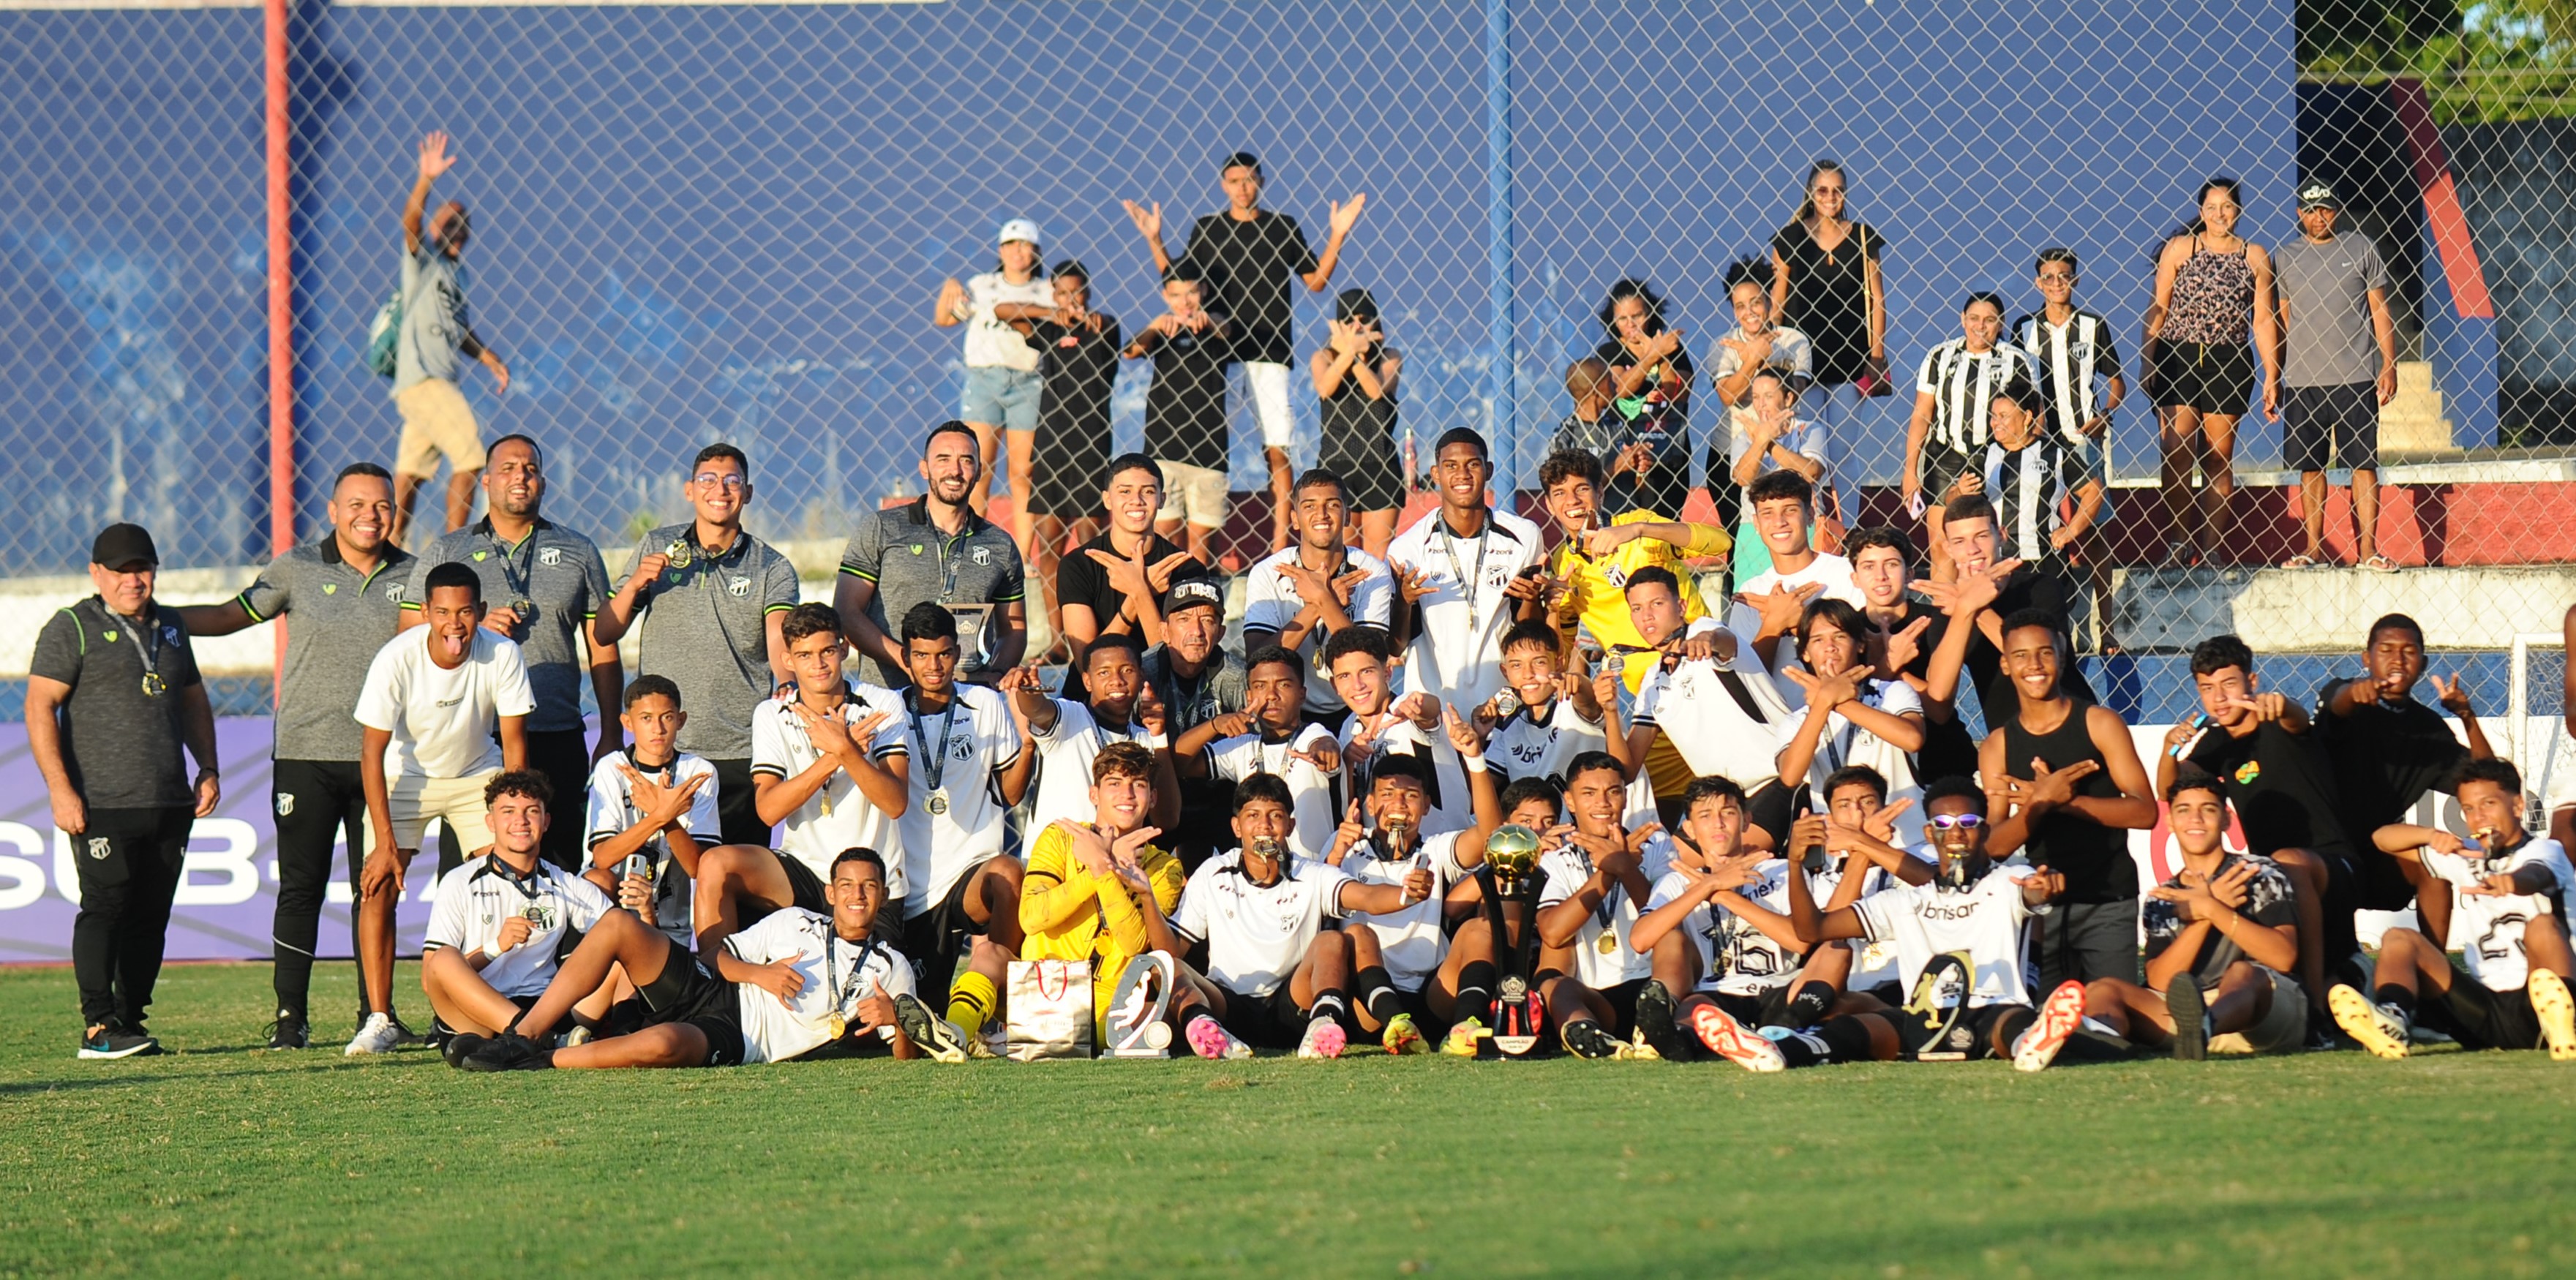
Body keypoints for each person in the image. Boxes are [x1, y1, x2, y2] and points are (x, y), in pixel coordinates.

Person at [177, 465, 416, 1050]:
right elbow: (231, 615)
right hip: (305, 753)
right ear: (332, 512)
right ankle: (291, 1018)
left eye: (382, 505)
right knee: (301, 888)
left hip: (380, 758)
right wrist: (154, 618)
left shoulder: (414, 574)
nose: (370, 515)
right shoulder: (298, 567)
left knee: (377, 889)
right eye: (356, 504)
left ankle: (375, 1015)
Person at [454, 848, 924, 1071]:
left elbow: (905, 1056)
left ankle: (546, 1060)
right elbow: (717, 955)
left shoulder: (891, 966)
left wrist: (897, 1022)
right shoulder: (796, 920)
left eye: (868, 887)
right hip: (714, 986)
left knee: (662, 1046)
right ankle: (522, 1037)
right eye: (847, 886)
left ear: (883, 896)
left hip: (741, 1037)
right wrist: (759, 974)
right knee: (619, 925)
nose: (857, 895)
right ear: (830, 893)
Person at [31, 523, 219, 1060]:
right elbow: (40, 705)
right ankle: (97, 1025)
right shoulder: (74, 627)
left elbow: (192, 701)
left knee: (151, 913)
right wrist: (61, 790)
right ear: (97, 573)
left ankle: (130, 1020)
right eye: (121, 571)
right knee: (105, 907)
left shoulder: (173, 627)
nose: (133, 580)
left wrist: (207, 766)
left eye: (142, 569)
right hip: (102, 803)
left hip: (168, 799)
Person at [1124, 153, 1366, 553]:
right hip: (1217, 357)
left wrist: (1337, 233)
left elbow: (1316, 282)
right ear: (1223, 185)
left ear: (1262, 182)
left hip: (1269, 353)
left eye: (1250, 179)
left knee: (1277, 450)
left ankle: (1278, 547)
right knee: (1205, 447)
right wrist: (1154, 239)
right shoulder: (1208, 229)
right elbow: (1177, 281)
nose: (1242, 187)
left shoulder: (1282, 227)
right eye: (1234, 180)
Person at [403, 434, 616, 870]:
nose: (520, 477)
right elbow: (409, 632)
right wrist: (471, 625)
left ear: (542, 482)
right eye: (507, 469)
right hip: (474, 735)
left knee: (557, 868)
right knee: (469, 871)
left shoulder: (579, 551)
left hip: (555, 729)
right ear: (484, 481)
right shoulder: (450, 549)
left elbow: (602, 646)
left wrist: (611, 731)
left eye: (531, 469)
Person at [350, 561, 534, 1055]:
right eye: (444, 612)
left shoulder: (504, 654)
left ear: (480, 612)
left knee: (499, 886)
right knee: (377, 886)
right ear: (427, 612)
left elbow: (514, 744)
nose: (455, 625)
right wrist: (386, 843)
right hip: (404, 778)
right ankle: (379, 1017)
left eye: (466, 612)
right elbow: (371, 753)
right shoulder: (396, 658)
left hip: (479, 775)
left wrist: (512, 810)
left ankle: (480, 1008)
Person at [1785, 776, 2092, 1072]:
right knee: (1851, 1028)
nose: (1956, 833)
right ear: (1929, 834)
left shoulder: (2006, 882)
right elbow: (1813, 930)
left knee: (2012, 1023)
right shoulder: (1902, 901)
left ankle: (2031, 1043)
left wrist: (2044, 886)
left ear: (1985, 831)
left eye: (1968, 823)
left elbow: (2032, 890)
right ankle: (1779, 1051)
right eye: (1943, 825)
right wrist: (1796, 863)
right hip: (1920, 1018)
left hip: (1991, 1010)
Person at [593, 443, 799, 846]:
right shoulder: (658, 546)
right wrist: (635, 583)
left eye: (731, 481)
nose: (719, 490)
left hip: (739, 750)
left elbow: (779, 636)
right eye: (708, 479)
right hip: (665, 749)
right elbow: (604, 631)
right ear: (690, 490)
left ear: (749, 492)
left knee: (735, 879)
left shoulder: (771, 565)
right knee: (656, 880)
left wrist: (789, 683)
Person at [1629, 774, 1905, 1070]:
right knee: (1690, 1001)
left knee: (1837, 946)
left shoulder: (1779, 871)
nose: (1719, 823)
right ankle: (1678, 1036)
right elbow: (1641, 939)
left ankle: (1784, 1030)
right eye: (1706, 816)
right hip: (1716, 992)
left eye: (1728, 813)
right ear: (1689, 829)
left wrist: (1727, 897)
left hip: (1783, 991)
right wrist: (1707, 887)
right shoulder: (1678, 879)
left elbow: (1801, 940)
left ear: (1746, 821)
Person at [1156, 774, 1427, 1059]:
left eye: (1276, 815)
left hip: (1292, 1005)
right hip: (1229, 1005)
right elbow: (1172, 950)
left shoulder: (1311, 873)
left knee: (1332, 940)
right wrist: (1147, 897)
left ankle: (1323, 1026)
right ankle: (1206, 1029)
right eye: (1253, 815)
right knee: (1166, 966)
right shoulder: (1213, 872)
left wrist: (1405, 893)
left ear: (1290, 825)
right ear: (1237, 827)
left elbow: (1366, 896)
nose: (1264, 825)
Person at [2164, 633, 2358, 1033]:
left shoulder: (2279, 721)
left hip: (2336, 864)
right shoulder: (2216, 744)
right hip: (2275, 878)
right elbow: (2173, 790)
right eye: (2207, 688)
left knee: (2287, 861)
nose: (2219, 698)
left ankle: (2313, 1005)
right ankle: (2208, 1006)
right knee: (2222, 881)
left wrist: (2282, 704)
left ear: (2252, 683)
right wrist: (2168, 751)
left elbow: (2298, 719)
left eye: (2229, 684)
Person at [699, 603, 907, 957]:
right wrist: (835, 756)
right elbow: (767, 811)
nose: (819, 664)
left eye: (827, 651)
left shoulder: (882, 704)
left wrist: (847, 752)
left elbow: (895, 803)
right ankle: (711, 979)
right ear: (788, 660)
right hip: (804, 869)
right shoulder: (772, 713)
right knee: (715, 863)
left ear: (845, 648)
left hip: (866, 873)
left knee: (857, 988)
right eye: (805, 655)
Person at [2334, 758, 2576, 1061]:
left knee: (2542, 925)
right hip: (2484, 1008)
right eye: (2469, 809)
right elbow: (2382, 839)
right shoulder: (2467, 855)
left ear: (2517, 807)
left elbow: (2537, 875)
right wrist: (2430, 836)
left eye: (2489, 804)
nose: (2479, 817)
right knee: (2400, 938)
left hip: (2539, 1003)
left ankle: (2567, 1025)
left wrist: (2511, 882)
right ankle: (2391, 1020)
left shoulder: (2544, 850)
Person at [1980, 609, 2159, 986]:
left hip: (2108, 898)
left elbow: (2145, 812)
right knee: (2045, 1020)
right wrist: (2039, 803)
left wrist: (2065, 802)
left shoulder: (2100, 722)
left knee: (2111, 1016)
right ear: (2006, 665)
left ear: (2062, 656)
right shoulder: (1998, 744)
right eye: (2021, 656)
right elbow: (1993, 846)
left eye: (2045, 653)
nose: (2034, 665)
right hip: (2040, 907)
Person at [2080, 769, 2304, 1058]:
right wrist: (2203, 917)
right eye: (2184, 811)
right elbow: (2160, 982)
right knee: (2104, 989)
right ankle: (2099, 1044)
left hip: (2263, 1015)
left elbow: (2283, 957)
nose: (2195, 820)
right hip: (2189, 1020)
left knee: (2244, 972)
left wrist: (2213, 908)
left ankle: (2204, 1025)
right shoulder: (2165, 896)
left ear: (2226, 820)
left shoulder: (2258, 872)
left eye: (2208, 810)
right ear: (2170, 822)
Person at [2310, 612, 2492, 944]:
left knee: (2433, 868)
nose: (2398, 659)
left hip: (2379, 852)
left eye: (2409, 651)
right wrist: (2355, 693)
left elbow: (2490, 783)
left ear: (2423, 664)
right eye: (2387, 650)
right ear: (2367, 658)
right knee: (2339, 963)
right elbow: (2337, 706)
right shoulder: (2345, 695)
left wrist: (2467, 716)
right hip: (2325, 847)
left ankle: (2435, 982)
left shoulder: (2429, 728)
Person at [1006, 742, 1190, 1051]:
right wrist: (1096, 868)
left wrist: (1106, 869)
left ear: (1153, 797)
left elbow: (1134, 944)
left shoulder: (1165, 867)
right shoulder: (1061, 836)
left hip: (1112, 1001)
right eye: (1114, 784)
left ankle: (1040, 1039)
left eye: (1139, 785)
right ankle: (958, 1032)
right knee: (988, 958)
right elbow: (1031, 918)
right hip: (1045, 989)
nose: (1127, 794)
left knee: (1154, 1015)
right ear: (1094, 794)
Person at [887, 603, 1029, 1006]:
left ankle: (1003, 1008)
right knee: (917, 1014)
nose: (935, 666)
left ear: (957, 653)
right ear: (905, 658)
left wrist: (1030, 742)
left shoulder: (984, 704)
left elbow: (1010, 795)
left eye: (945, 654)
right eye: (922, 656)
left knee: (1007, 872)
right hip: (909, 885)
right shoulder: (887, 712)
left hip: (971, 871)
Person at [2143, 177, 2282, 567]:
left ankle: (2211, 548)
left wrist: (2273, 374)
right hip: (2178, 356)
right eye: (2212, 207)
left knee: (2218, 457)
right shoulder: (2180, 249)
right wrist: (2147, 359)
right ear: (2201, 211)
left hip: (2229, 360)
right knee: (2177, 450)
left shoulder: (2254, 255)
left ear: (2238, 210)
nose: (2220, 214)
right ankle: (2178, 542)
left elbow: (2263, 319)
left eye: (2227, 206)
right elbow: (2159, 307)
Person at [1330, 748, 1505, 1055]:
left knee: (1479, 929)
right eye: (1387, 794)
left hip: (1431, 995)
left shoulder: (1435, 850)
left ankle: (1466, 1028)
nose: (1398, 804)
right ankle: (1396, 1023)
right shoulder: (1345, 846)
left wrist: (1475, 758)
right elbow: (1317, 905)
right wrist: (1334, 857)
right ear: (1370, 802)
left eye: (1410, 796)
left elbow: (1491, 836)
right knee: (1357, 934)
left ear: (1426, 805)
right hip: (1370, 1006)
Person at [418, 772, 615, 1043]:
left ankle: (620, 1029)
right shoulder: (459, 881)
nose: (520, 821)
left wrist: (644, 915)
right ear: (491, 822)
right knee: (442, 959)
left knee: (621, 931)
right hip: (480, 1015)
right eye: (508, 812)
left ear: (546, 822)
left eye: (531, 811)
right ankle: (540, 1040)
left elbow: (619, 939)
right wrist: (496, 946)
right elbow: (431, 980)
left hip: (546, 1009)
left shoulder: (564, 882)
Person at [834, 421, 1028, 690]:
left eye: (966, 460)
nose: (955, 471)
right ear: (924, 468)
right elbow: (846, 612)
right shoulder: (883, 528)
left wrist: (996, 674)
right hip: (889, 698)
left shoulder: (1000, 545)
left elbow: (1013, 630)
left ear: (980, 470)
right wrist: (908, 663)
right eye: (943, 459)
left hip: (967, 704)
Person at [1609, 568, 1795, 843]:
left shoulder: (1706, 630)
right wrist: (1610, 711)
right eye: (1637, 608)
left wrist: (1708, 642)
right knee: (1670, 871)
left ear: (1681, 606)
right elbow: (1627, 770)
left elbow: (1724, 643)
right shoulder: (1652, 682)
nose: (1646, 615)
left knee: (1730, 866)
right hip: (1724, 803)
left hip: (1778, 781)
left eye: (1657, 604)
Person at [388, 131, 509, 545]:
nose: (455, 222)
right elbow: (410, 223)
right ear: (435, 228)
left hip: (433, 382)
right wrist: (426, 180)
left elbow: (460, 332)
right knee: (472, 457)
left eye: (461, 218)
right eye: (445, 217)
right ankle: (456, 551)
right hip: (424, 379)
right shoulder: (423, 262)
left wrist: (488, 357)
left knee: (412, 471)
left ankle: (389, 548)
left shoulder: (457, 275)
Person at [994, 259, 1122, 646]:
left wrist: (1083, 315)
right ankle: (1057, 639)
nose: (1071, 300)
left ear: (1088, 292)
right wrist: (1053, 311)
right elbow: (1003, 311)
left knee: (1089, 545)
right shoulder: (1048, 328)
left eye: (1077, 292)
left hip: (1091, 447)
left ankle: (1094, 636)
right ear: (1053, 293)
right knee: (1048, 546)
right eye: (1063, 292)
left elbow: (1106, 333)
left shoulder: (1104, 327)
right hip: (1051, 445)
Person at [2275, 181, 2400, 571]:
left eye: (2326, 210)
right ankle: (2313, 550)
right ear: (2299, 214)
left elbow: (2379, 309)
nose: (2319, 218)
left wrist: (2389, 362)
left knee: (2363, 465)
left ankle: (2367, 552)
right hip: (2302, 380)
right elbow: (2282, 318)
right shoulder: (2285, 257)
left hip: (2356, 376)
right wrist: (2276, 374)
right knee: (2310, 467)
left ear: (2338, 211)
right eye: (2311, 211)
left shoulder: (2361, 247)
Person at [1538, 447, 1727, 691]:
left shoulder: (1636, 527)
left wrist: (1640, 529)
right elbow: (1559, 656)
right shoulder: (1563, 563)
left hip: (1700, 667)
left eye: (1582, 489)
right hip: (1647, 695)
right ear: (1550, 505)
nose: (1572, 501)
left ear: (1600, 494)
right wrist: (1552, 610)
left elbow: (1721, 542)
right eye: (1560, 493)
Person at [1386, 427, 1547, 710]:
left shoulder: (1524, 536)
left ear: (1488, 470)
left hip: (1502, 705)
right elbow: (1395, 647)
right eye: (1451, 466)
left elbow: (1527, 630)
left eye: (1472, 464)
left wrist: (1532, 599)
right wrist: (1405, 601)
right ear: (1436, 474)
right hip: (1433, 709)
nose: (1462, 474)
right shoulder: (1408, 548)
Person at [1529, 752, 1671, 1058]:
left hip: (1653, 985)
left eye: (1613, 792)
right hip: (1596, 997)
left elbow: (1667, 922)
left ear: (1625, 796)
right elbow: (1552, 932)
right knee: (1561, 986)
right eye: (1589, 794)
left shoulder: (1656, 842)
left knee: (1676, 939)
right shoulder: (1555, 858)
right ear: (1569, 801)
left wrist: (1628, 868)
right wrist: (1609, 870)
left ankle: (1656, 1029)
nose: (1603, 803)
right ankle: (1591, 1037)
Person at [2012, 248, 2126, 620]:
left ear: (2075, 280)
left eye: (2064, 276)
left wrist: (2104, 415)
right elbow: (2015, 389)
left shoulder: (2093, 325)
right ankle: (2041, 612)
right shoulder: (2023, 328)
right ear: (2037, 282)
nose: (2057, 283)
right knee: (2036, 525)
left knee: (2093, 532)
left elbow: (2117, 382)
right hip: (2039, 445)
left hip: (2082, 440)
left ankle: (2106, 625)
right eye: (2049, 277)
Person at [1901, 293, 2040, 577]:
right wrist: (1910, 469)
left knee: (1990, 541)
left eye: (1990, 320)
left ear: (2001, 324)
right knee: (1942, 545)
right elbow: (1922, 414)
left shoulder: (2017, 360)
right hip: (1946, 456)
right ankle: (1946, 615)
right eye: (1974, 319)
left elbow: (2035, 419)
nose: (1981, 326)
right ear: (1962, 320)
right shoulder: (1940, 356)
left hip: (1996, 456)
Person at [1055, 454, 1212, 704]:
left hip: (1162, 696)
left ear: (1162, 500)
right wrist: (1138, 593)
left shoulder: (1186, 569)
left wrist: (1139, 592)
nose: (1136, 501)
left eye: (1147, 491)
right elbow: (1088, 660)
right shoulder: (1078, 564)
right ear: (1108, 499)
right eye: (1125, 491)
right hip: (1092, 699)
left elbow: (1176, 661)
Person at [1242, 467, 1393, 728]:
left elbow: (1371, 658)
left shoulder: (1371, 571)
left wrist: (1325, 601)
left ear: (1347, 516)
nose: (1321, 514)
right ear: (1295, 519)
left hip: (1356, 704)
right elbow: (1259, 659)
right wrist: (1317, 605)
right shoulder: (1268, 572)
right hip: (1292, 709)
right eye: (1310, 506)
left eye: (1332, 505)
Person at [580, 676, 721, 950]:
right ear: (628, 723)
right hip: (615, 907)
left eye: (667, 717)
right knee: (598, 879)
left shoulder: (699, 773)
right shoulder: (613, 768)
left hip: (671, 921)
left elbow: (696, 867)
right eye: (646, 718)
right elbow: (603, 858)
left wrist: (664, 816)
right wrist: (660, 814)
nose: (657, 728)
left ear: (681, 720)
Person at [1774, 599, 1926, 846]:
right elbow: (1790, 776)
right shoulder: (1797, 721)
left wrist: (1836, 701)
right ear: (1805, 653)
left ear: (1860, 644)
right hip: (1840, 853)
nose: (1830, 647)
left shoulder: (1893, 692)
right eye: (1818, 640)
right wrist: (1823, 705)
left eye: (1840, 637)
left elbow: (1912, 739)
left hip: (1908, 845)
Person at [931, 217, 1053, 519]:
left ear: (1036, 251)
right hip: (985, 379)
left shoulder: (1047, 290)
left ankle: (1023, 553)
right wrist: (949, 288)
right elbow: (946, 319)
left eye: (1025, 245)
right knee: (978, 467)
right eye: (1011, 244)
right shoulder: (982, 286)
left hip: (1028, 380)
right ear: (1000, 250)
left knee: (1024, 472)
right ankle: (972, 542)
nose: (1018, 251)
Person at [1005, 633, 1179, 838]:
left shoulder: (1145, 739)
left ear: (1141, 677)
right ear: (1087, 681)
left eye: (1127, 670)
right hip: (1055, 864)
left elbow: (1168, 820)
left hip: (1113, 865)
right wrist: (1029, 691)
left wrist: (1159, 736)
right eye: (1104, 673)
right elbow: (1038, 711)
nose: (1117, 680)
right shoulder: (1070, 717)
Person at [1176, 646, 1343, 862]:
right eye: (1260, 686)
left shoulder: (1313, 735)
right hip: (1261, 877)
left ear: (1302, 694)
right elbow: (1180, 763)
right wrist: (1214, 725)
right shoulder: (1244, 746)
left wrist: (1325, 751)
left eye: (1283, 684)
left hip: (1314, 876)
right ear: (1249, 696)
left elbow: (1325, 745)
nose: (1271, 695)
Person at [1122, 266, 1239, 563]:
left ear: (1204, 292)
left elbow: (1228, 331)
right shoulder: (1164, 331)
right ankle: (1165, 609)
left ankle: (1198, 603)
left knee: (1201, 555)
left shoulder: (1217, 328)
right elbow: (1131, 351)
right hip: (1164, 450)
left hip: (1208, 452)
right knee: (1164, 546)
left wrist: (1210, 321)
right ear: (1165, 296)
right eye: (1176, 295)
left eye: (1191, 292)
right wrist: (1156, 326)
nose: (1185, 301)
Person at [1979, 383, 2106, 647]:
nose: (1995, 423)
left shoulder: (2055, 453)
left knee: (2053, 642)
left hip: (2045, 563)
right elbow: (1957, 503)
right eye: (1993, 415)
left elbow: (2093, 491)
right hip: (1998, 564)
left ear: (2027, 417)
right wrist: (1958, 492)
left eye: (2003, 416)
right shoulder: (1984, 454)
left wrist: (2071, 530)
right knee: (2004, 643)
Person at [1769, 160, 1888, 435]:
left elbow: (1878, 301)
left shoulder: (1863, 237)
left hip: (1851, 358)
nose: (1831, 198)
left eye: (1838, 191)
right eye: (1823, 191)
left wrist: (1876, 356)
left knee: (1842, 449)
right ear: (1811, 193)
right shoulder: (1789, 238)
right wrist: (1773, 352)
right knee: (1803, 440)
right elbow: (1777, 302)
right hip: (1801, 360)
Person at [1140, 577, 1247, 866]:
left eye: (1208, 620)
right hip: (1155, 791)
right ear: (1165, 631)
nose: (1197, 631)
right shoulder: (1142, 672)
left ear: (1222, 631)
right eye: (1184, 619)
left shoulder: (1237, 677)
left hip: (1219, 793)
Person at [1326, 625, 1473, 835]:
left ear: (1387, 672)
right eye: (1345, 676)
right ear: (1334, 685)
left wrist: (1420, 706)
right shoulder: (1349, 727)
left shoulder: (1405, 706)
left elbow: (1428, 710)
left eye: (1366, 672)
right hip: (1391, 857)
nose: (1357, 685)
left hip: (1445, 849)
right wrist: (1347, 762)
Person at [1726, 470, 1864, 685]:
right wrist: (1774, 624)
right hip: (1780, 716)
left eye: (1790, 511)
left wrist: (1802, 624)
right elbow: (1746, 680)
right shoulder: (1751, 591)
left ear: (1810, 516)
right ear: (1756, 524)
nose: (1779, 522)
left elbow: (1867, 651)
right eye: (1767, 513)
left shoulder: (1847, 573)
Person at [1312, 289, 1405, 557]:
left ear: (1375, 321)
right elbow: (1325, 387)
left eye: (1363, 319)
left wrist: (1352, 354)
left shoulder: (1389, 356)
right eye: (1348, 320)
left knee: (1378, 557)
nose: (1356, 326)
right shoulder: (1324, 357)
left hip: (1380, 463)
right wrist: (1348, 352)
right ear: (1338, 325)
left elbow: (1377, 390)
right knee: (1343, 555)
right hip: (1336, 463)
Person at [1591, 279, 1694, 518]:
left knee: (1666, 522)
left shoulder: (1673, 348)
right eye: (1622, 319)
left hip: (1668, 446)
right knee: (1626, 520)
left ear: (1650, 312)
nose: (1631, 325)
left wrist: (1661, 356)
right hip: (1627, 450)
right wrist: (1653, 355)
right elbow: (1621, 388)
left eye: (1637, 316)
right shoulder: (1609, 352)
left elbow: (1679, 391)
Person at [1724, 372, 1830, 583]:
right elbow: (1743, 478)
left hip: (1800, 525)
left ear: (1788, 398)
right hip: (1754, 532)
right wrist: (1759, 440)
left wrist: (1766, 441)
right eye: (1755, 397)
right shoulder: (1746, 436)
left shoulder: (1808, 430)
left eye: (1769, 396)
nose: (1761, 404)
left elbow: (1810, 473)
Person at [1479, 621, 1608, 787]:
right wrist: (1479, 739)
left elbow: (1589, 702)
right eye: (1517, 665)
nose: (1528, 674)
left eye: (1539, 662)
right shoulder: (1509, 723)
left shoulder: (1572, 705)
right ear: (1505, 671)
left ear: (1559, 664)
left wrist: (1579, 682)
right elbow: (1474, 793)